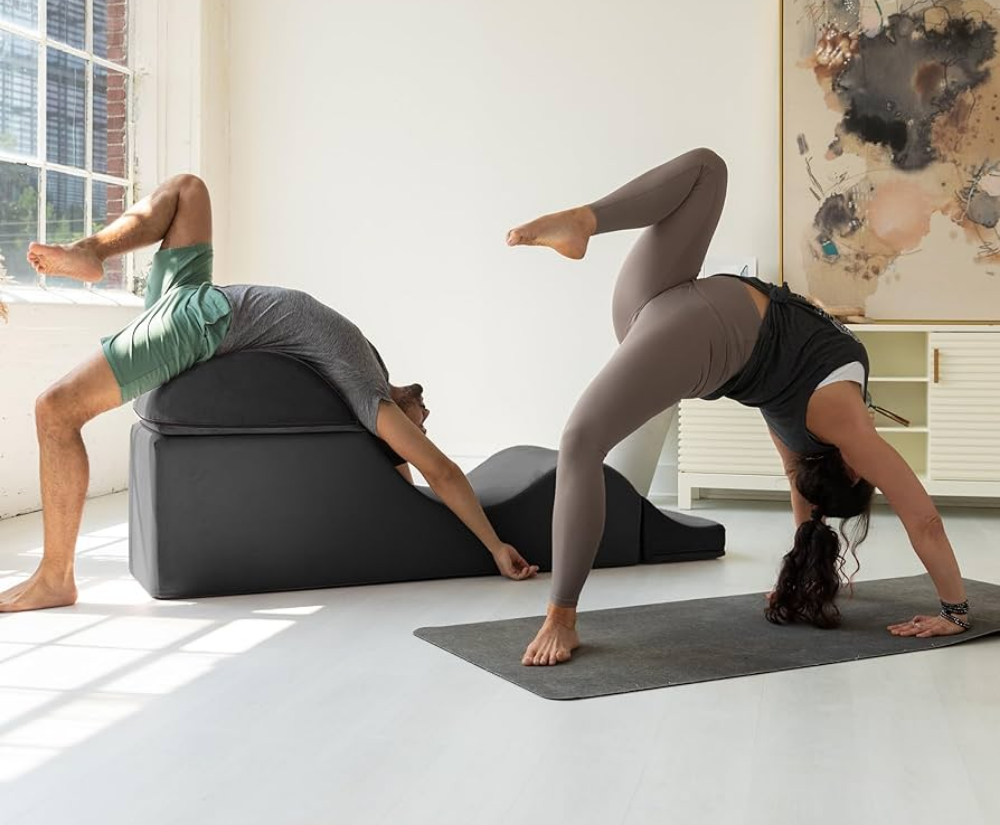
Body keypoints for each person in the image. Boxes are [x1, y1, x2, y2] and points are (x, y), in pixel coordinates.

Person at [507, 147, 972, 667]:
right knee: (707, 168)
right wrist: (800, 584)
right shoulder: (802, 434)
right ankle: (585, 221)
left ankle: (560, 618)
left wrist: (955, 612)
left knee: (579, 444)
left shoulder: (844, 421)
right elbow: (805, 505)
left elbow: (924, 520)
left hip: (685, 327)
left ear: (849, 467)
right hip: (663, 305)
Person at [0, 174, 537, 613]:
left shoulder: (369, 394)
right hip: (196, 295)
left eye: (418, 424)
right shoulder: (372, 369)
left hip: (201, 320)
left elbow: (433, 475)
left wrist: (495, 547)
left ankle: (56, 577)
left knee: (54, 410)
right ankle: (88, 251)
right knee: (190, 188)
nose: (425, 414)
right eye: (421, 419)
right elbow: (414, 482)